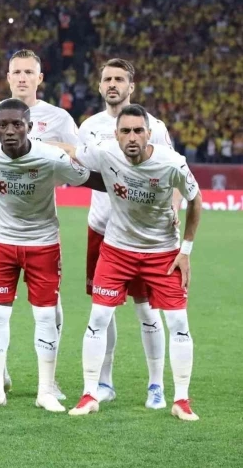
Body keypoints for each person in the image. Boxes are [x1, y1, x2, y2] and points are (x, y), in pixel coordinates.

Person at [58, 105, 203, 421]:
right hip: (117, 250)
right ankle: (90, 393)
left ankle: (181, 399)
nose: (132, 137)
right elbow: (69, 151)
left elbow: (195, 198)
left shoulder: (172, 162)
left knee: (178, 323)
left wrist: (186, 249)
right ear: (116, 134)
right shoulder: (105, 152)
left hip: (162, 252)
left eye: (138, 131)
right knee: (98, 316)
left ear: (150, 134)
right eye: (126, 131)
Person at [0, 99, 104, 411]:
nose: (10, 130)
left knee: (45, 316)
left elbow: (91, 179)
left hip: (42, 244)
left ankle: (45, 391)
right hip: (0, 242)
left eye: (17, 124)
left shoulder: (51, 157)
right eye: (3, 125)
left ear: (29, 127)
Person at [0, 49, 78, 399]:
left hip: (40, 222)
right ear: (8, 77)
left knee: (50, 305)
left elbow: (77, 154)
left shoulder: (58, 116)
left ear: (39, 78)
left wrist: (38, 148)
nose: (22, 77)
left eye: (28, 72)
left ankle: (50, 380)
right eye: (16, 72)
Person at [78, 58, 181, 407]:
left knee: (146, 310)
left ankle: (156, 385)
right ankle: (103, 382)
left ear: (131, 86)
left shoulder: (154, 127)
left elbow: (175, 173)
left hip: (144, 236)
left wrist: (175, 208)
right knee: (102, 310)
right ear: (99, 86)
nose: (112, 84)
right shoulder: (89, 127)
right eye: (107, 79)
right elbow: (81, 169)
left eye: (119, 79)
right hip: (101, 229)